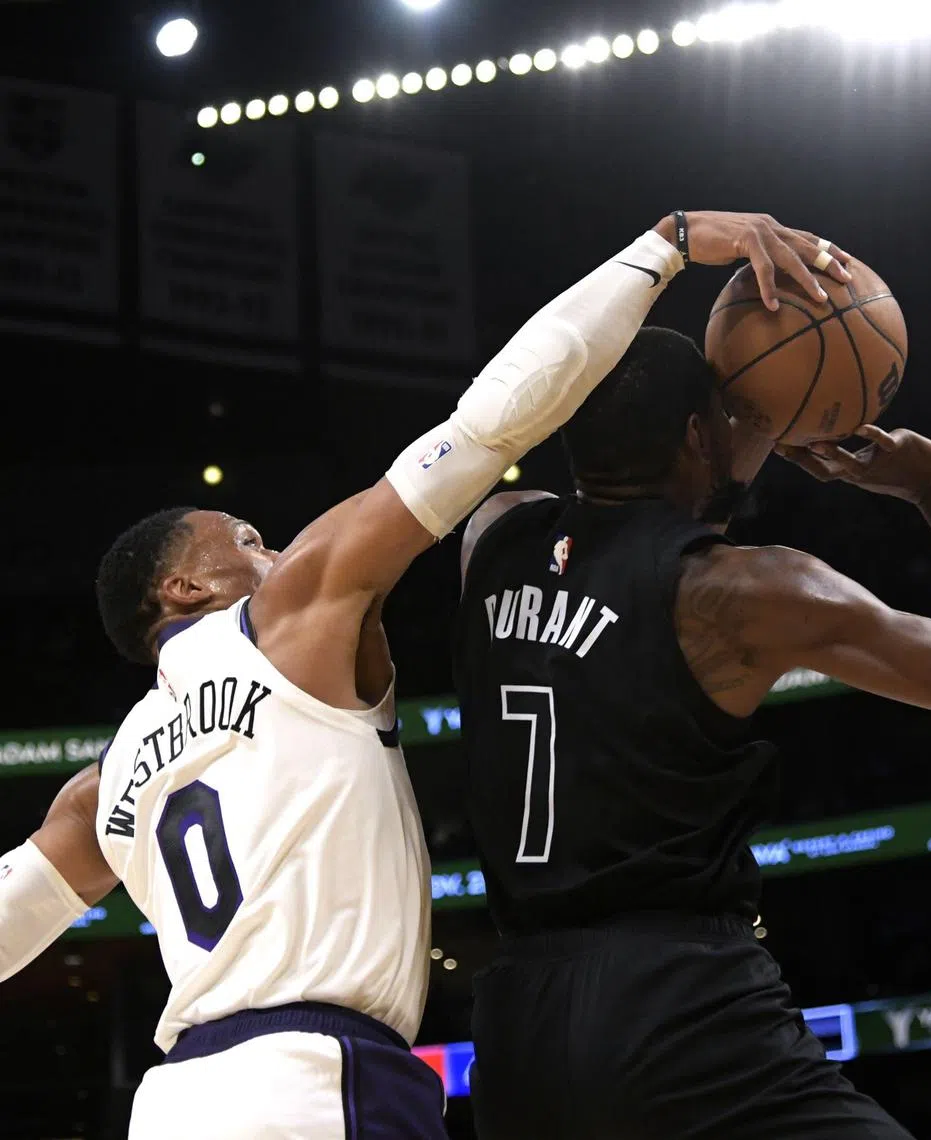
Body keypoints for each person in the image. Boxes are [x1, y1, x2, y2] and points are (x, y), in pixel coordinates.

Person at [0, 211, 844, 1140]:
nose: (277, 549)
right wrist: (665, 246)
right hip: (319, 1084)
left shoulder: (100, 786)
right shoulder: (287, 621)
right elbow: (489, 425)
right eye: (248, 539)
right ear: (184, 585)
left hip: (172, 1107)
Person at [454, 324, 931, 1140]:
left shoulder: (492, 534)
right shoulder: (739, 592)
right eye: (730, 417)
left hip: (514, 1027)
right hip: (677, 1009)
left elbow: (597, 516)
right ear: (693, 435)